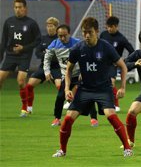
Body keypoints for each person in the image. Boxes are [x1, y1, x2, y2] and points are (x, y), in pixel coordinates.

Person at [52, 17, 132, 157]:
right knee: (68, 118)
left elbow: (123, 67)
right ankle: (62, 150)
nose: (87, 35)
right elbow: (68, 70)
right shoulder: (78, 48)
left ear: (97, 31)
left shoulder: (106, 47)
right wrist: (67, 89)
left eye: (90, 32)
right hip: (85, 89)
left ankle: (127, 148)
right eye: (84, 33)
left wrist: (123, 87)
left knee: (111, 116)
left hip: (103, 89)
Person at [45, 24, 99, 127]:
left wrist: (84, 72)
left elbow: (87, 57)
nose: (62, 38)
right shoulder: (54, 45)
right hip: (67, 76)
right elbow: (47, 58)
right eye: (60, 35)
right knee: (60, 97)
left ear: (69, 33)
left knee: (88, 96)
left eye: (64, 35)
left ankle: (93, 119)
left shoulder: (78, 43)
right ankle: (57, 118)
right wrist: (47, 71)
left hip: (80, 74)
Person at [0, 0, 41, 117]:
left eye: (20, 7)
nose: (18, 10)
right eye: (16, 7)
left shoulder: (31, 23)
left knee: (21, 80)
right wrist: (1, 55)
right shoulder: (8, 22)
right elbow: (3, 41)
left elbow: (38, 40)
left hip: (24, 55)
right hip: (10, 55)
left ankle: (25, 107)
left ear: (25, 8)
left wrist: (24, 48)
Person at [22, 17, 62, 115]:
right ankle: (29, 108)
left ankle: (66, 105)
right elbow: (37, 53)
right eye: (48, 26)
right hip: (43, 67)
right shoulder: (43, 39)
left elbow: (60, 55)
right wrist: (48, 55)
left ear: (56, 27)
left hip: (56, 68)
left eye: (51, 26)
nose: (49, 28)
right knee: (29, 85)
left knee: (60, 87)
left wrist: (48, 54)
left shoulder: (60, 39)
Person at [100, 16, 134, 112]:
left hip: (112, 65)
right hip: (100, 63)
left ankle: (116, 104)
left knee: (111, 82)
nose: (109, 29)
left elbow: (132, 51)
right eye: (108, 27)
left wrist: (123, 60)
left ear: (116, 26)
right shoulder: (103, 34)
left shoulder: (121, 38)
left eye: (111, 27)